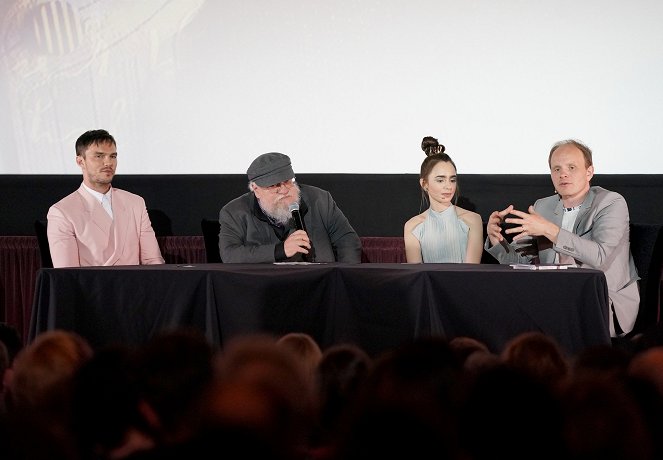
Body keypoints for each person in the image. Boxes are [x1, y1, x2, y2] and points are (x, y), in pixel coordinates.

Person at [485, 139, 639, 337]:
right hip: (552, 295)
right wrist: (497, 239)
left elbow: (600, 256)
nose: (563, 174)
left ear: (589, 172)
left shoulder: (610, 202)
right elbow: (518, 261)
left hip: (600, 298)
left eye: (571, 167)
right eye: (556, 169)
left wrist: (551, 230)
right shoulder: (543, 206)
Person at [47, 129, 164, 267]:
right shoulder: (62, 211)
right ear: (80, 161)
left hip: (137, 286)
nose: (108, 163)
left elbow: (153, 261)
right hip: (92, 287)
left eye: (113, 156)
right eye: (99, 156)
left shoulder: (135, 203)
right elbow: (67, 274)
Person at [219, 152, 362, 263]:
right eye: (273, 186)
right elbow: (230, 254)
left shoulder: (320, 200)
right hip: (265, 290)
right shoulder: (234, 212)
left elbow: (347, 240)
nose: (283, 190)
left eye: (287, 182)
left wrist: (344, 277)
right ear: (255, 189)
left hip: (318, 285)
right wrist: (280, 250)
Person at [404, 137, 483, 263]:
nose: (448, 186)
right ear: (424, 184)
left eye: (452, 180)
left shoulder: (473, 220)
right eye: (440, 180)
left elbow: (471, 272)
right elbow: (417, 275)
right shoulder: (413, 226)